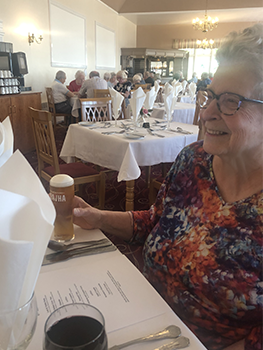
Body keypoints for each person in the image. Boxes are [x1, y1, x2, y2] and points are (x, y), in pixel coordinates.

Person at [72, 24, 263, 350]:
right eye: (211, 96)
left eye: (230, 102)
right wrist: (99, 217)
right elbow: (157, 221)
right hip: (141, 317)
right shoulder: (193, 160)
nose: (206, 113)